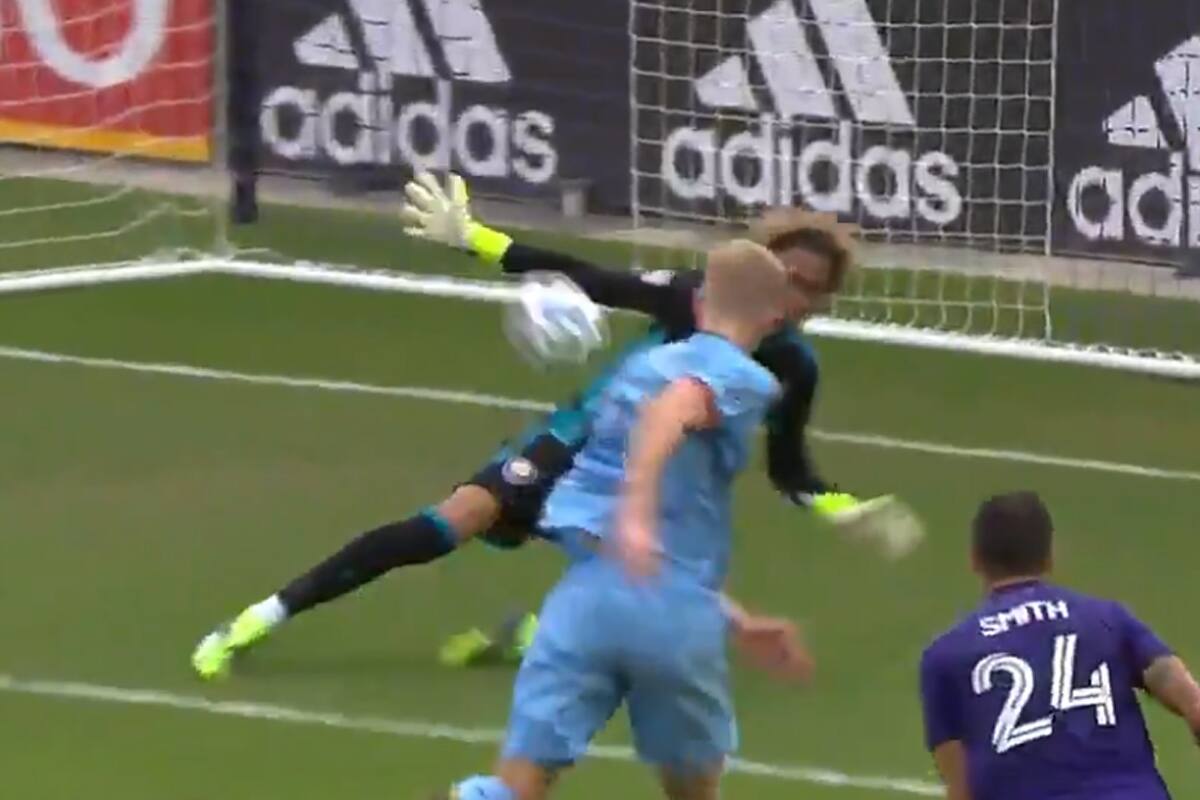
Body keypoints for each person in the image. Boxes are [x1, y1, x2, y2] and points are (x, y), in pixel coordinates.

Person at [189, 173, 897, 680]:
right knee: (448, 523)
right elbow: (589, 278)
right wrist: (476, 239)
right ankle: (262, 615)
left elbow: (791, 471)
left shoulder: (792, 368)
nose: (794, 293)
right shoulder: (695, 301)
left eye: (811, 287)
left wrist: (845, 508)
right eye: (787, 274)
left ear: (825, 300)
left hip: (647, 493)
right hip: (570, 446)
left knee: (656, 632)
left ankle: (532, 635)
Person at [445, 239, 813, 800]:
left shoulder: (638, 367)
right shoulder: (746, 379)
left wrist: (737, 621)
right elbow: (675, 409)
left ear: (699, 302)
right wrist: (638, 513)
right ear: (774, 317)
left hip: (585, 602)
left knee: (513, 789)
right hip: (671, 619)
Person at [919, 491, 1200, 800]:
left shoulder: (945, 656)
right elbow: (1179, 689)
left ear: (975, 559)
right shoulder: (1106, 618)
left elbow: (962, 790)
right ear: (1050, 556)